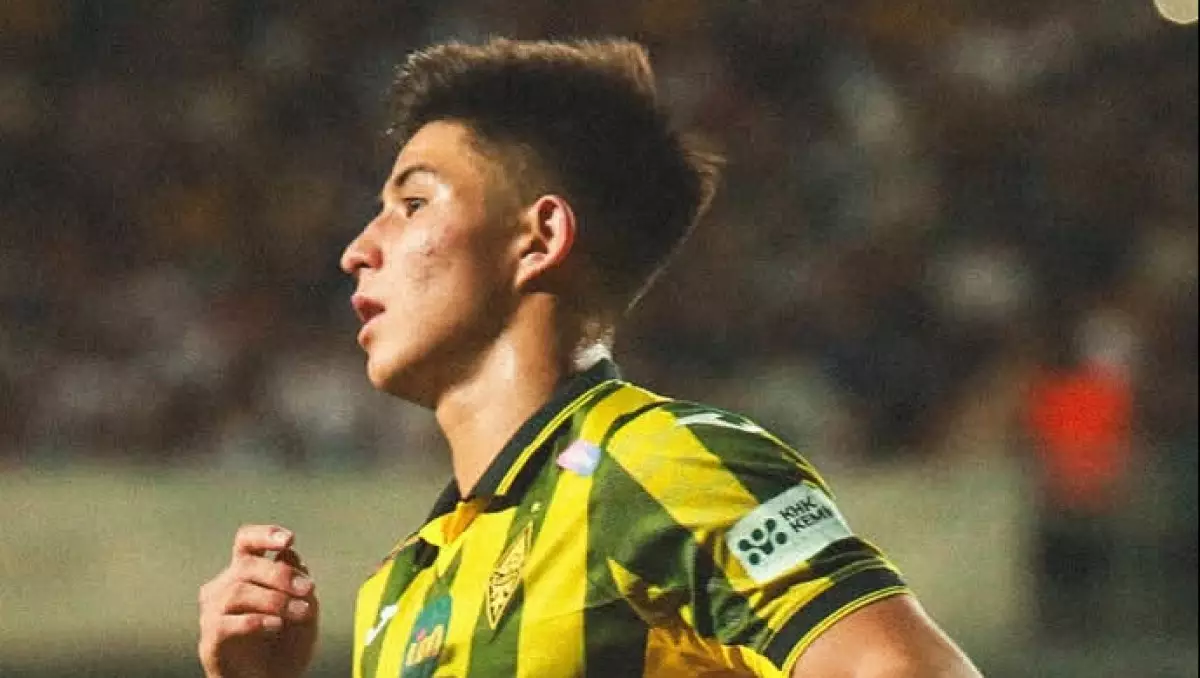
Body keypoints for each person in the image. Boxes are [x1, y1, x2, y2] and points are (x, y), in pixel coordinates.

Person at [198, 38, 983, 678]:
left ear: (540, 238)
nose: (358, 250)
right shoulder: (402, 587)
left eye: (413, 204)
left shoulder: (655, 466)